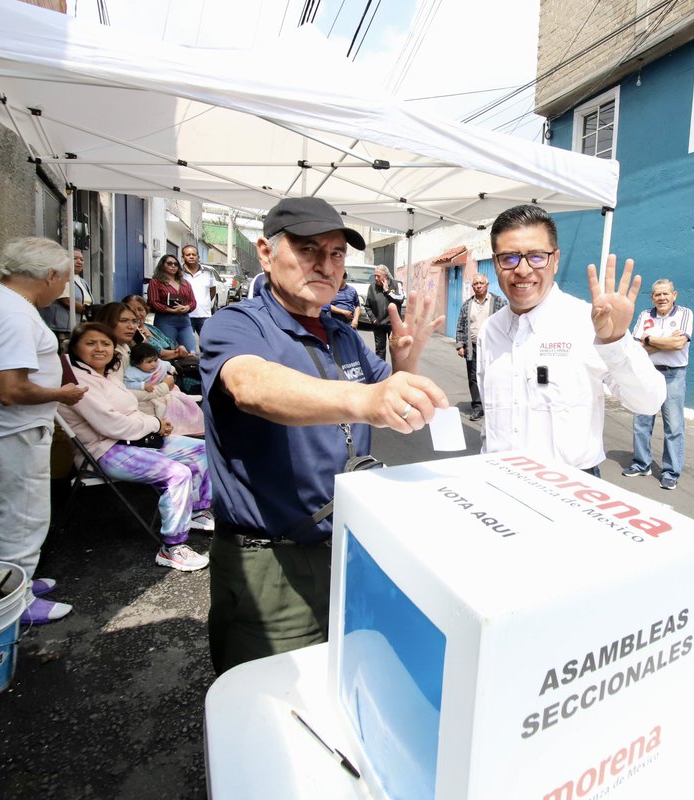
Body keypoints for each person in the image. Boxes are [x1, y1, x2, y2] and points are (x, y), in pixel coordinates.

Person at [200, 196, 447, 674]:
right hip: (273, 561)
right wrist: (363, 401)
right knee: (276, 701)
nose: (326, 264)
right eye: (309, 249)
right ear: (266, 254)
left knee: (350, 676)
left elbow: (387, 391)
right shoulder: (239, 323)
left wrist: (407, 361)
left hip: (351, 546)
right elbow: (251, 386)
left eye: (336, 254)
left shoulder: (343, 333)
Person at [475, 204, 665, 475]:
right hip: (499, 480)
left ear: (556, 259)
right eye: (510, 258)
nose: (523, 269)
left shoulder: (588, 323)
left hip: (571, 489)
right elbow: (491, 420)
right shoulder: (489, 330)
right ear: (496, 263)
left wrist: (616, 341)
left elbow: (649, 401)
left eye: (537, 256)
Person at [0, 237, 88, 625]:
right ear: (48, 275)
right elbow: (12, 388)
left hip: (1, 427)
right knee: (23, 518)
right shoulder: (13, 314)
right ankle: (16, 602)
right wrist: (61, 393)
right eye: (63, 279)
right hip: (14, 429)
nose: (64, 288)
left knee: (17, 512)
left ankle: (18, 581)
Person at [58, 322, 213, 571]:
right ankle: (172, 548)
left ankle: (195, 511)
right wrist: (154, 424)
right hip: (106, 451)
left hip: (136, 440)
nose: (100, 348)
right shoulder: (78, 383)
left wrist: (157, 424)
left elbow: (129, 412)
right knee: (177, 473)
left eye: (105, 343)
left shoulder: (106, 375)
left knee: (203, 449)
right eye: (90, 343)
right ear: (75, 348)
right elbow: (111, 426)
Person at [623, 279, 694, 490]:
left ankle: (671, 472)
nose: (661, 298)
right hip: (647, 373)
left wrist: (649, 340)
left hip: (673, 376)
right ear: (652, 297)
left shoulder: (685, 314)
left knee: (673, 426)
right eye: (657, 294)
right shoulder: (645, 315)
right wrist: (664, 342)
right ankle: (641, 463)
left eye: (665, 293)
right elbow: (636, 349)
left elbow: (679, 343)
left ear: (675, 295)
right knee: (641, 421)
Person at [122, 294, 200, 394]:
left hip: (175, 364)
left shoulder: (150, 328)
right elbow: (157, 354)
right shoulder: (132, 335)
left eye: (140, 309)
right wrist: (177, 353)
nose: (137, 314)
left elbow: (170, 343)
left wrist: (179, 347)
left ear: (146, 310)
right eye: (133, 310)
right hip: (160, 373)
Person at [454, 272, 506, 421]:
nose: (478, 286)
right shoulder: (467, 305)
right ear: (472, 287)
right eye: (475, 284)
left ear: (487, 285)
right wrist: (460, 345)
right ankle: (478, 407)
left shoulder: (499, 302)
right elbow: (461, 326)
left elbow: (508, 323)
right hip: (473, 347)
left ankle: (493, 406)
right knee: (474, 377)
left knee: (493, 375)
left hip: (493, 347)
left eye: (481, 283)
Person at [39, 248, 93, 343]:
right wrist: (89, 311)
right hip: (64, 328)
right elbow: (67, 301)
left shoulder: (82, 281)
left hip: (81, 325)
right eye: (75, 258)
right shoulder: (62, 277)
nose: (79, 261)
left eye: (81, 259)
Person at [147, 254, 198, 353]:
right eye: (169, 263)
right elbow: (153, 302)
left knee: (191, 351)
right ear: (162, 265)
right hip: (165, 320)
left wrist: (187, 307)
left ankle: (188, 368)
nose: (173, 266)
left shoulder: (185, 283)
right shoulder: (156, 282)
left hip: (184, 321)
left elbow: (193, 302)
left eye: (176, 264)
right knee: (170, 350)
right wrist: (170, 310)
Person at [364, 264, 404, 360]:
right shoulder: (372, 287)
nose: (376, 278)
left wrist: (388, 291)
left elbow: (401, 299)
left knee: (395, 350)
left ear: (386, 276)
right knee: (380, 350)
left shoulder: (396, 284)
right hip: (379, 325)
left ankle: (396, 373)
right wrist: (373, 319)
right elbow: (367, 306)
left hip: (393, 325)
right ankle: (381, 373)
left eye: (378, 276)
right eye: (375, 276)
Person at [180, 245, 217, 342]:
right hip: (185, 316)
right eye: (188, 255)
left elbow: (212, 290)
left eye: (194, 254)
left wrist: (205, 303)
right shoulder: (178, 273)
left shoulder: (208, 272)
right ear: (183, 257)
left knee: (208, 344)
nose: (191, 256)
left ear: (198, 257)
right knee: (188, 345)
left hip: (204, 315)